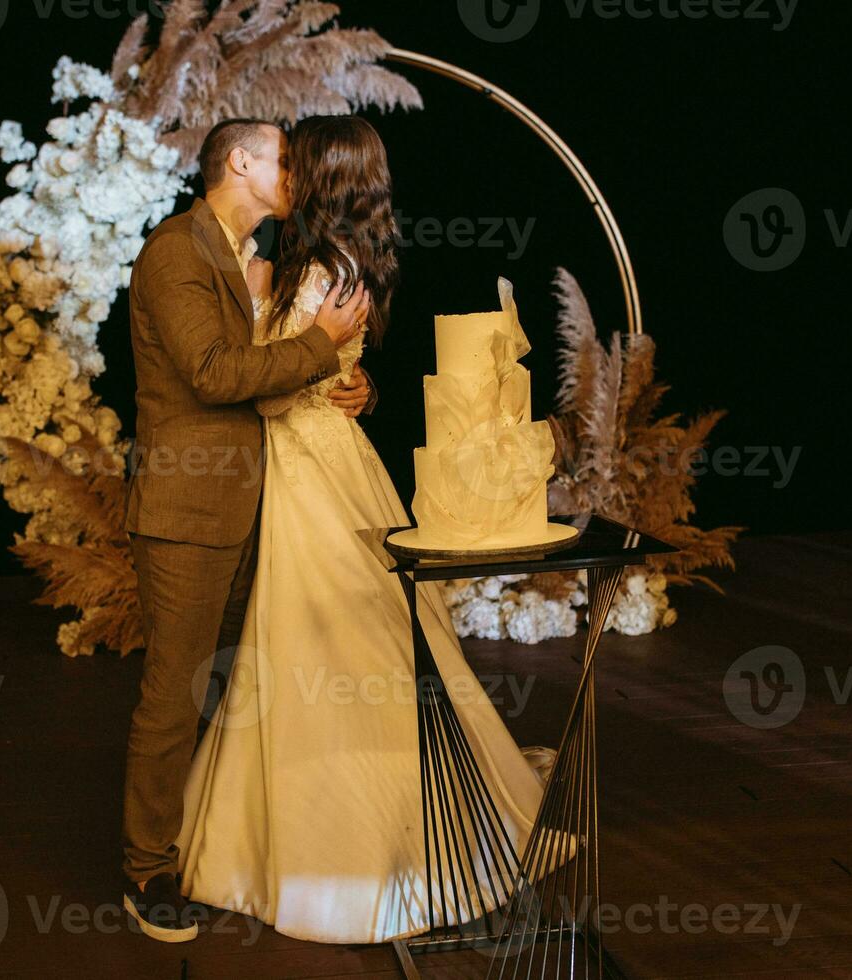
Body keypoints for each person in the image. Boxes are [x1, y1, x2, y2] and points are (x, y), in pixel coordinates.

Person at [173, 115, 556, 944]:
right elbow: (328, 368)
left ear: (322, 174)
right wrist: (351, 380)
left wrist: (311, 361)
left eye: (295, 161)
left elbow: (277, 391)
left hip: (311, 472)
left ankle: (356, 845)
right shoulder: (333, 264)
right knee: (335, 646)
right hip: (327, 461)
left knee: (326, 648)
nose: (285, 173)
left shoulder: (321, 271)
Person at [119, 117, 376, 942]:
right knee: (175, 692)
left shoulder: (249, 258)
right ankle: (146, 870)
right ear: (240, 162)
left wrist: (348, 376)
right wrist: (319, 345)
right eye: (283, 159)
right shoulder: (177, 252)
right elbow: (213, 374)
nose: (296, 172)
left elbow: (278, 366)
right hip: (189, 513)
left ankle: (217, 844)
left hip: (258, 503)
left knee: (233, 689)